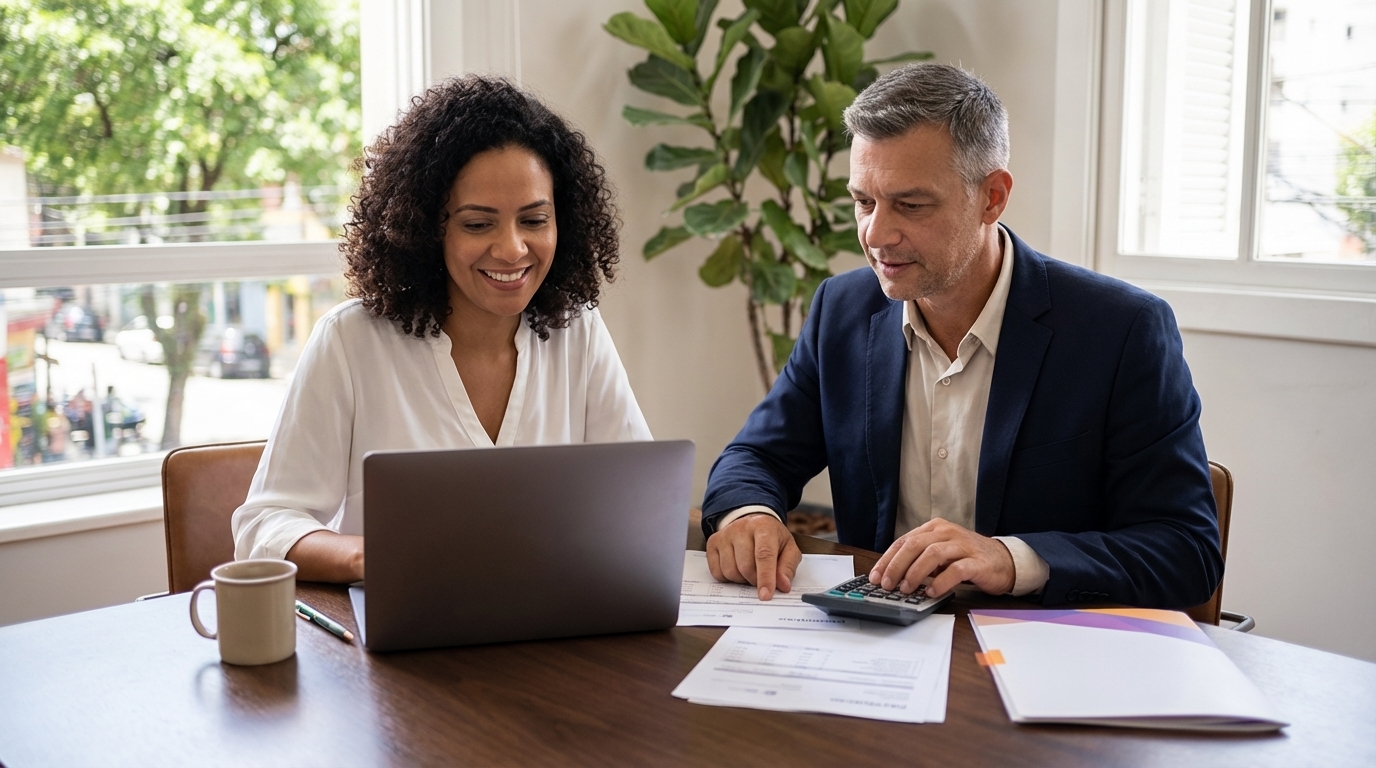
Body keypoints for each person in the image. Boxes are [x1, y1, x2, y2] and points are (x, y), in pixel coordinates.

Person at [701, 63, 1222, 609]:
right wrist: (750, 515)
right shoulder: (842, 309)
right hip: (878, 646)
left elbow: (1185, 550)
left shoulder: (1121, 330)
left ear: (992, 198)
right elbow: (755, 457)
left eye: (911, 205)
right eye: (863, 201)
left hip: (1040, 655)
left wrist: (1011, 558)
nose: (875, 234)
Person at [232, 76, 651, 583]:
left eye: (535, 220)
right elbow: (265, 526)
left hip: (548, 631)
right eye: (478, 224)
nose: (513, 249)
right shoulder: (350, 342)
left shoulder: (578, 331)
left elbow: (639, 499)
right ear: (429, 227)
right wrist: (371, 557)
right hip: (398, 644)